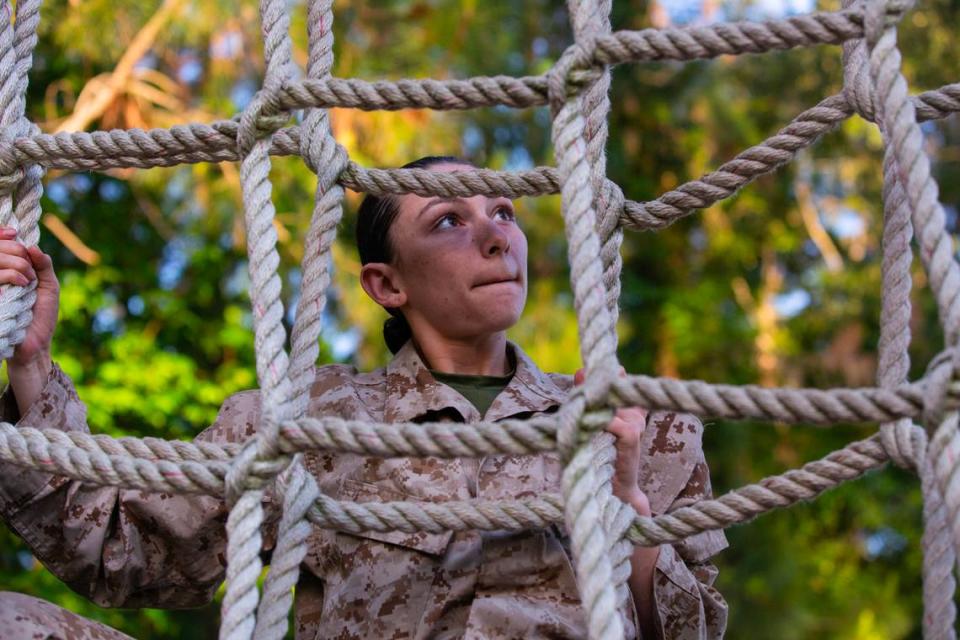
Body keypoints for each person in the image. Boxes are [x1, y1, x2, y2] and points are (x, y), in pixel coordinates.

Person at [0, 156, 728, 639]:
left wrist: (624, 510)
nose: (497, 237)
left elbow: (697, 630)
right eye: (449, 221)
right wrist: (30, 363)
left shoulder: (638, 430)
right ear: (387, 285)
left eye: (504, 211)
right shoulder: (302, 421)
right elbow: (116, 547)